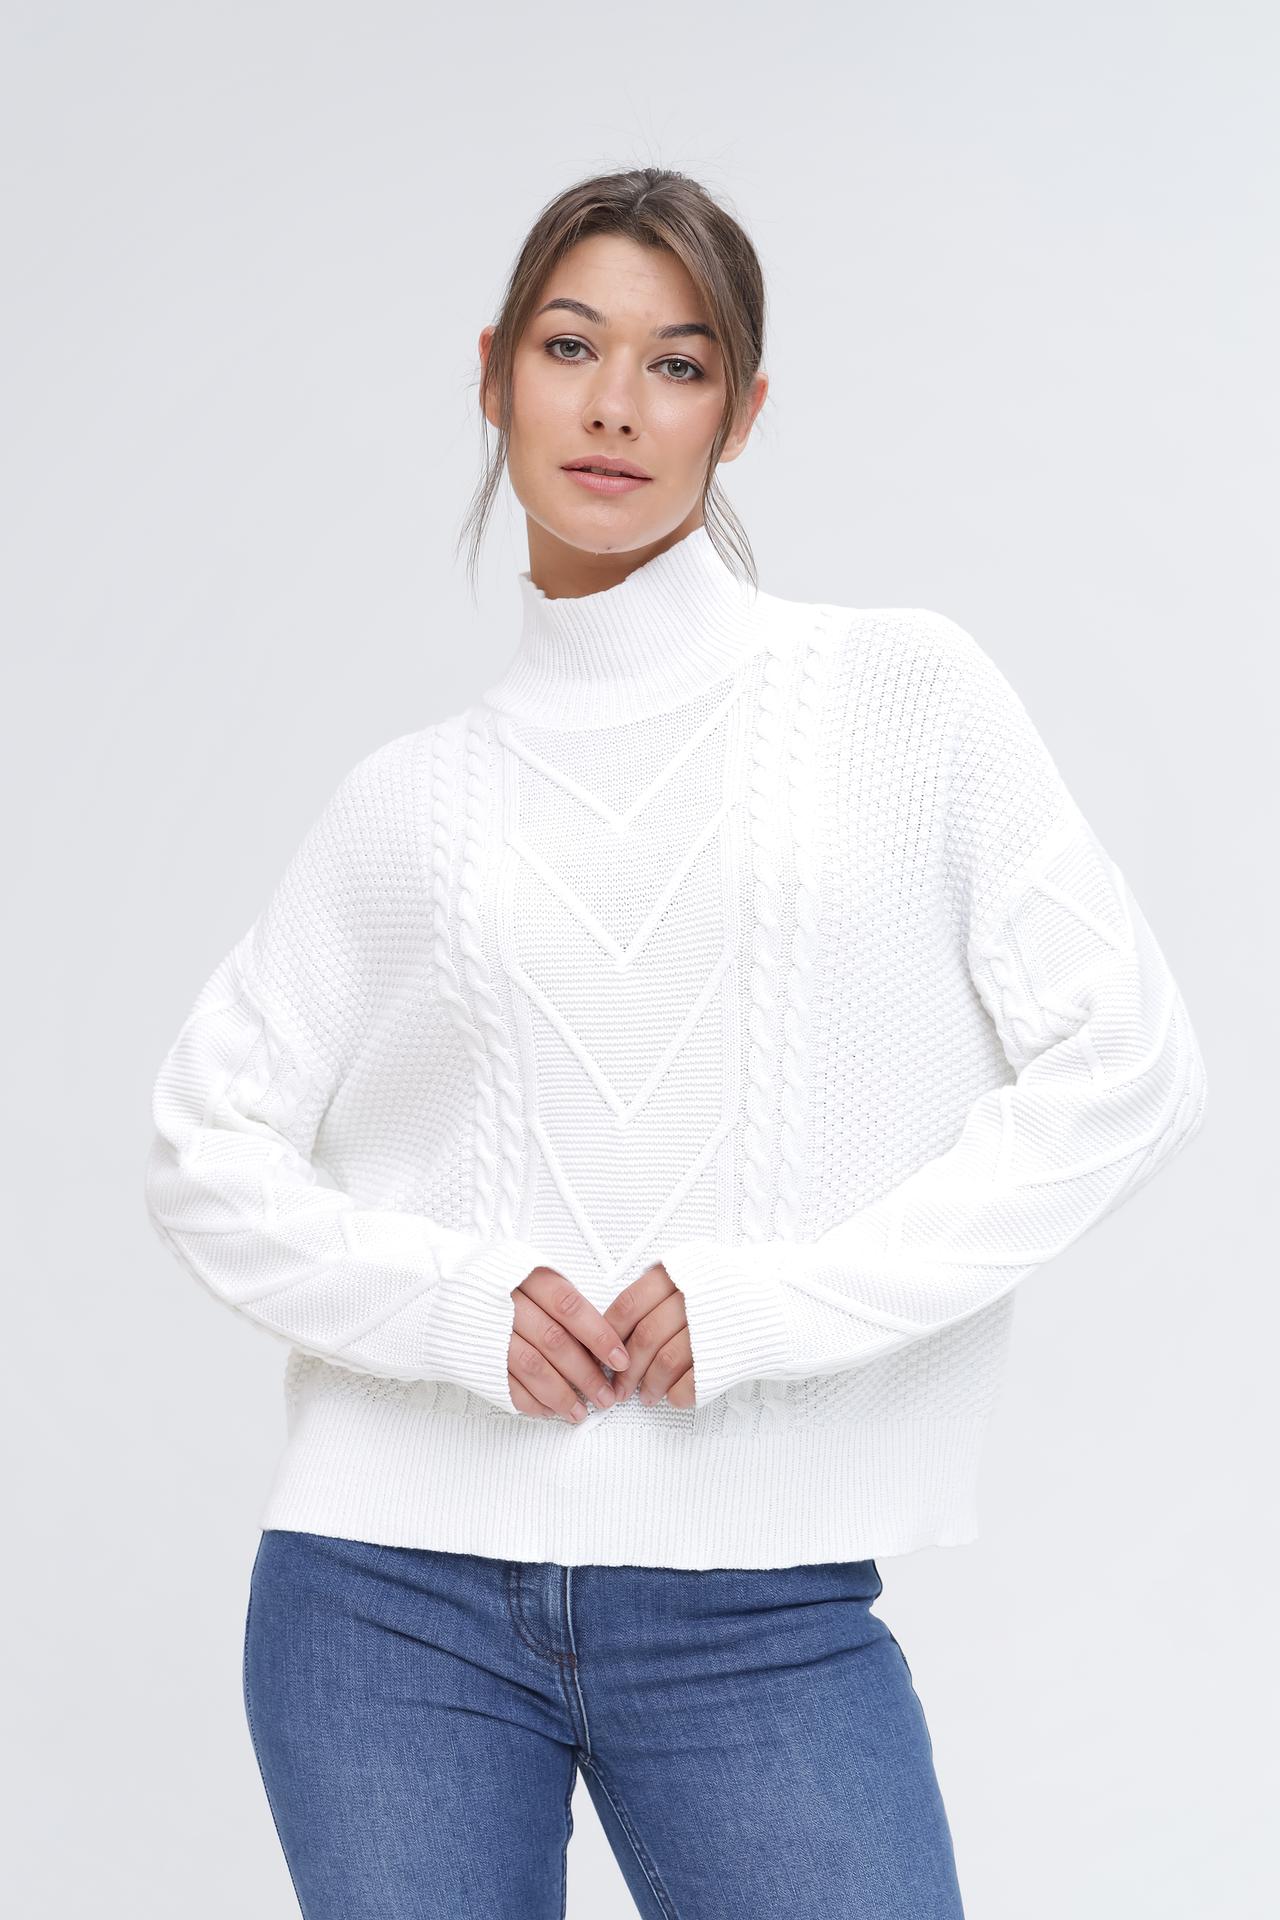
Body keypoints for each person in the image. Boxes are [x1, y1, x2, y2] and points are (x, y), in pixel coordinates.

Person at [143, 166, 1208, 1919]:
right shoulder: (407, 802)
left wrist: (784, 1306)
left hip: (756, 1604)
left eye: (680, 363)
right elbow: (203, 1145)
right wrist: (445, 1306)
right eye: (572, 347)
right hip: (383, 1597)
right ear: (495, 374)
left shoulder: (902, 696)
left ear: (745, 412)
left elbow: (1130, 1068)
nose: (618, 405)